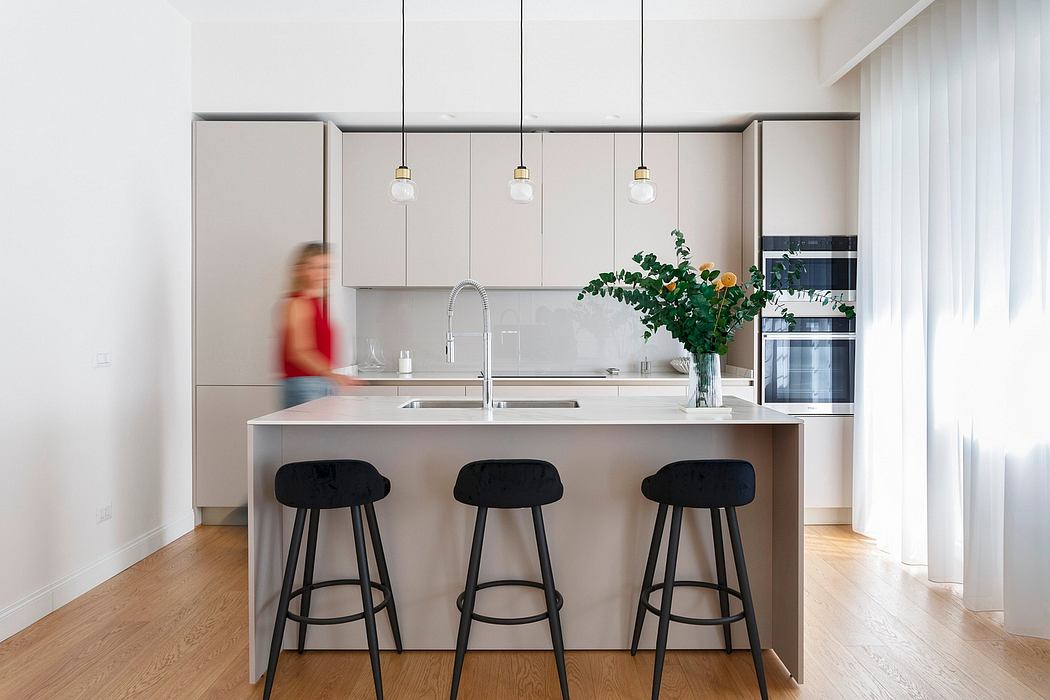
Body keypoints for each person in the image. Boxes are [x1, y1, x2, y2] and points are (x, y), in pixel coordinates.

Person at [280, 242, 357, 407]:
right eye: (315, 267)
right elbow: (300, 351)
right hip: (304, 385)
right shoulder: (298, 303)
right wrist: (333, 375)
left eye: (326, 267)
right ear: (301, 270)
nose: (323, 273)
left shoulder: (318, 303)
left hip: (319, 382)